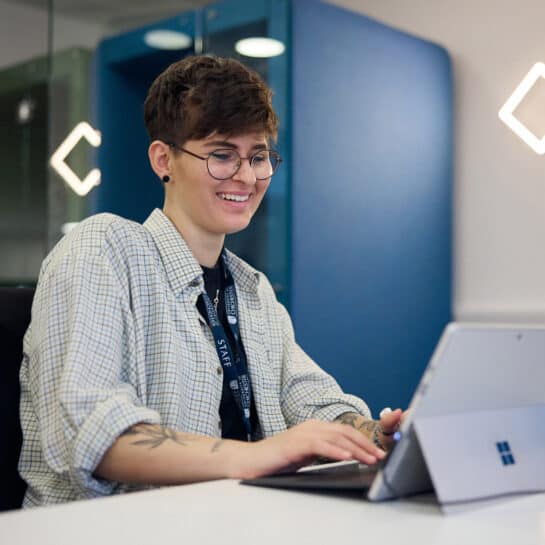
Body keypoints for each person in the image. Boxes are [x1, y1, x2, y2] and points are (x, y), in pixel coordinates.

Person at [18, 55, 403, 506]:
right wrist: (256, 456)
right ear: (164, 159)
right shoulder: (102, 249)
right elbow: (90, 433)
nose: (246, 176)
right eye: (222, 154)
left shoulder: (253, 290)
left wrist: (377, 435)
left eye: (258, 156)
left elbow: (309, 400)